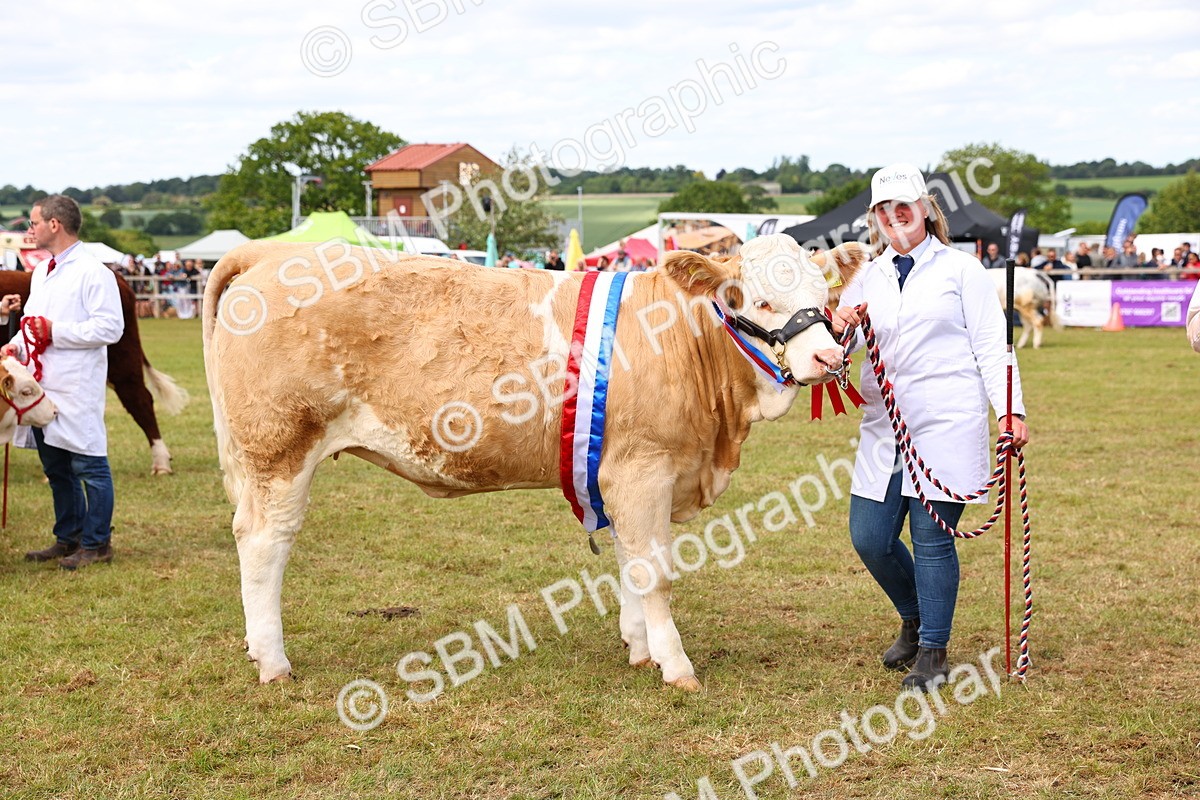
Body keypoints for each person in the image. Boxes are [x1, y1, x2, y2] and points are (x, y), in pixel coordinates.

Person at [832, 163, 1029, 691]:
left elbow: (994, 345)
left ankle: (934, 653)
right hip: (884, 426)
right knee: (870, 537)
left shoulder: (961, 270)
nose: (895, 217)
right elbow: (838, 354)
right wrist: (840, 329)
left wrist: (1010, 411)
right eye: (884, 210)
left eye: (904, 206)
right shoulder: (865, 276)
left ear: (924, 208)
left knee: (931, 539)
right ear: (874, 218)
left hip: (947, 421)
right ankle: (915, 618)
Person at [4, 195, 125, 570]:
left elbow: (110, 328)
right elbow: (34, 324)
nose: (30, 229)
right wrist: (15, 345)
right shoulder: (42, 272)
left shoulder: (94, 272)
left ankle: (97, 542)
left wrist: (58, 331)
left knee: (88, 464)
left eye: (34, 223)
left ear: (54, 224)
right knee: (55, 466)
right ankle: (68, 537)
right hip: (40, 385)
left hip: (76, 382)